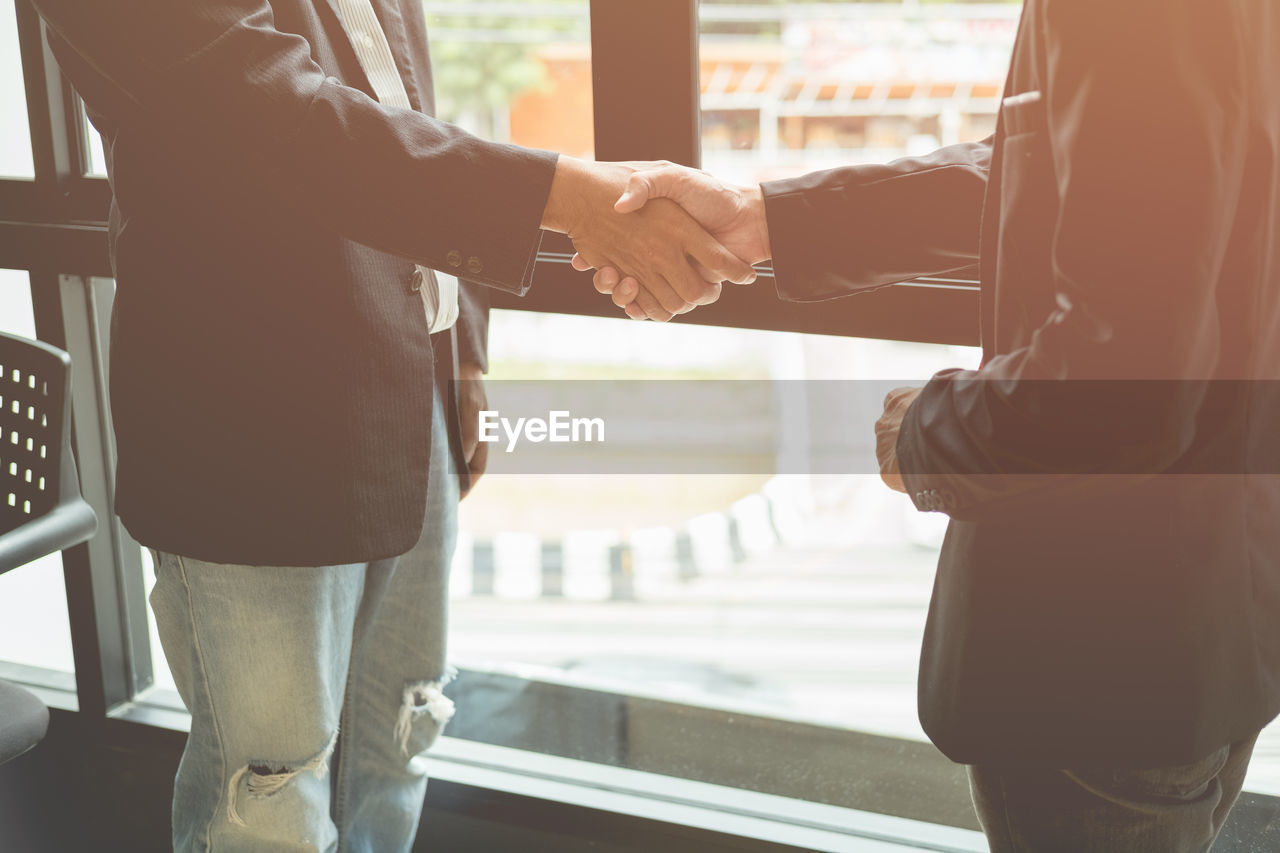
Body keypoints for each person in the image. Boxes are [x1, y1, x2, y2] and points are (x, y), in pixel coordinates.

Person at [28, 0, 755, 850]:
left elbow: (402, 104)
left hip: (405, 386)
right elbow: (272, 116)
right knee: (268, 800)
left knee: (397, 746)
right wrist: (568, 198)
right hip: (248, 425)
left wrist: (462, 350)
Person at [593, 2, 1280, 850]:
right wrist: (764, 218)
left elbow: (1125, 384)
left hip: (1102, 646)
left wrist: (928, 432)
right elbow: (1089, 177)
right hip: (1210, 608)